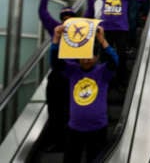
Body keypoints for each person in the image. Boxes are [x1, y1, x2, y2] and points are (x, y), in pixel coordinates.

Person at [39, 0, 95, 151]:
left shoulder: (81, 28)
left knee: (71, 111)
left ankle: (70, 142)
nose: (66, 20)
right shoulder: (56, 28)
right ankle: (57, 142)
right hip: (57, 75)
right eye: (64, 18)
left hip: (75, 76)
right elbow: (43, 13)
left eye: (70, 17)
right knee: (55, 112)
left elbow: (91, 14)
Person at [50, 25, 118, 163]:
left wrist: (102, 40)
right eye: (83, 56)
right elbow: (56, 63)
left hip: (98, 128)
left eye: (90, 55)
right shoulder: (72, 70)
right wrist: (56, 39)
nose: (87, 59)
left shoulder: (103, 72)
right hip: (74, 128)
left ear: (97, 56)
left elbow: (114, 61)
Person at [96, 0, 134, 86]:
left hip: (121, 29)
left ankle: (121, 79)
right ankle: (106, 78)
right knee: (104, 55)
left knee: (121, 55)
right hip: (105, 29)